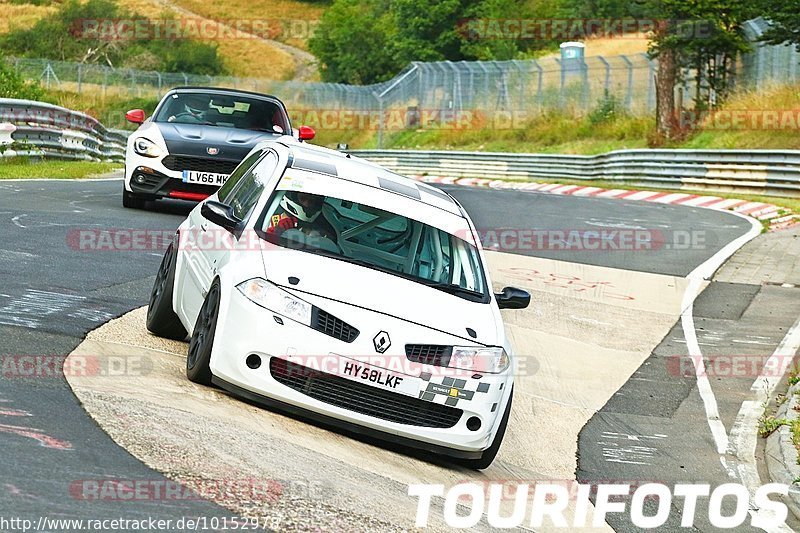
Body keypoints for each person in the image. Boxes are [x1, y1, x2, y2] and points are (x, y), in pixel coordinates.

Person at [267, 191, 337, 244]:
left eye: (312, 201)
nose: (307, 204)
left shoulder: (320, 232)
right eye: (303, 198)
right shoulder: (266, 223)